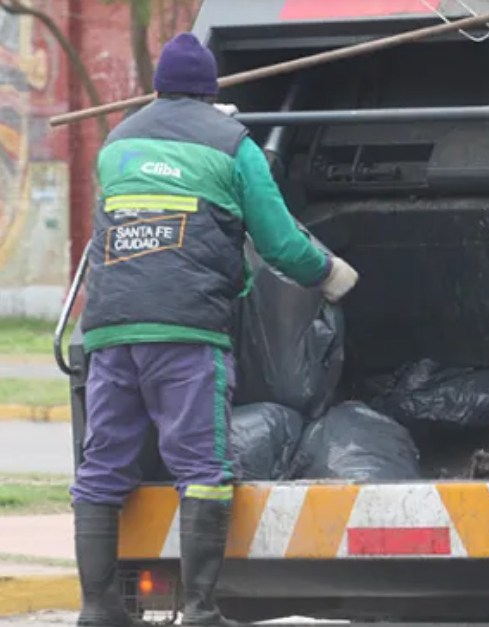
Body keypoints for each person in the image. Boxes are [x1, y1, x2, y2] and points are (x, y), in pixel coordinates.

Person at [70, 33, 358, 627]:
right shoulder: (233, 146)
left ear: (158, 88)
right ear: (212, 92)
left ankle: (97, 608)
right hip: (185, 331)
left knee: (101, 468)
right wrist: (329, 273)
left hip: (110, 331)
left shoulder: (117, 142)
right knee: (202, 469)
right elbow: (279, 243)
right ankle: (200, 609)